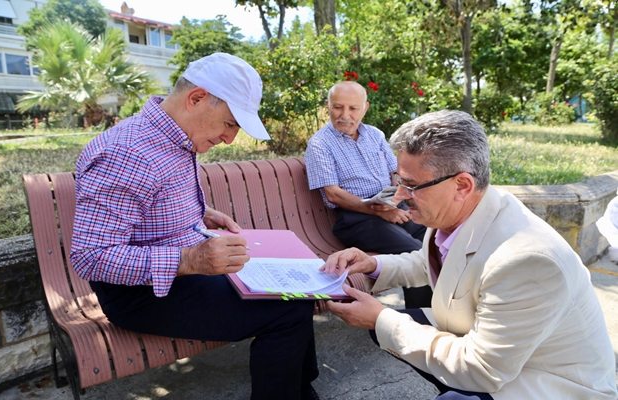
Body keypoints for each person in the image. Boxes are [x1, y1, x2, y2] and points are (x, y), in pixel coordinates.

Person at [70, 53, 320, 400]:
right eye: (230, 123)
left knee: (297, 294)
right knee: (288, 309)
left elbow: (148, 205)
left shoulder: (171, 138)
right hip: (142, 294)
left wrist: (199, 213)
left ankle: (298, 388)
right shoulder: (125, 153)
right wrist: (190, 260)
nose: (230, 138)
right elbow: (91, 257)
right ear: (197, 98)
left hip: (181, 273)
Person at [322, 110, 617, 400]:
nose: (399, 196)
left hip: (547, 384)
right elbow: (432, 261)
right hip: (502, 356)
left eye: (410, 185)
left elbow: (482, 369)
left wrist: (381, 319)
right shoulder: (465, 210)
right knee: (386, 329)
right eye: (400, 181)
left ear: (462, 185)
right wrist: (372, 264)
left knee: (389, 329)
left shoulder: (527, 260)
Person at [304, 80, 431, 308]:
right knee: (415, 251)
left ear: (365, 108)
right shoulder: (320, 144)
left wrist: (393, 201)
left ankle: (439, 312)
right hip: (356, 219)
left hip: (391, 208)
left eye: (353, 108)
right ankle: (418, 318)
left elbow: (396, 172)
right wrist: (380, 212)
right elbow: (333, 194)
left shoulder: (374, 134)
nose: (345, 115)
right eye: (337, 107)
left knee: (433, 241)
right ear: (327, 106)